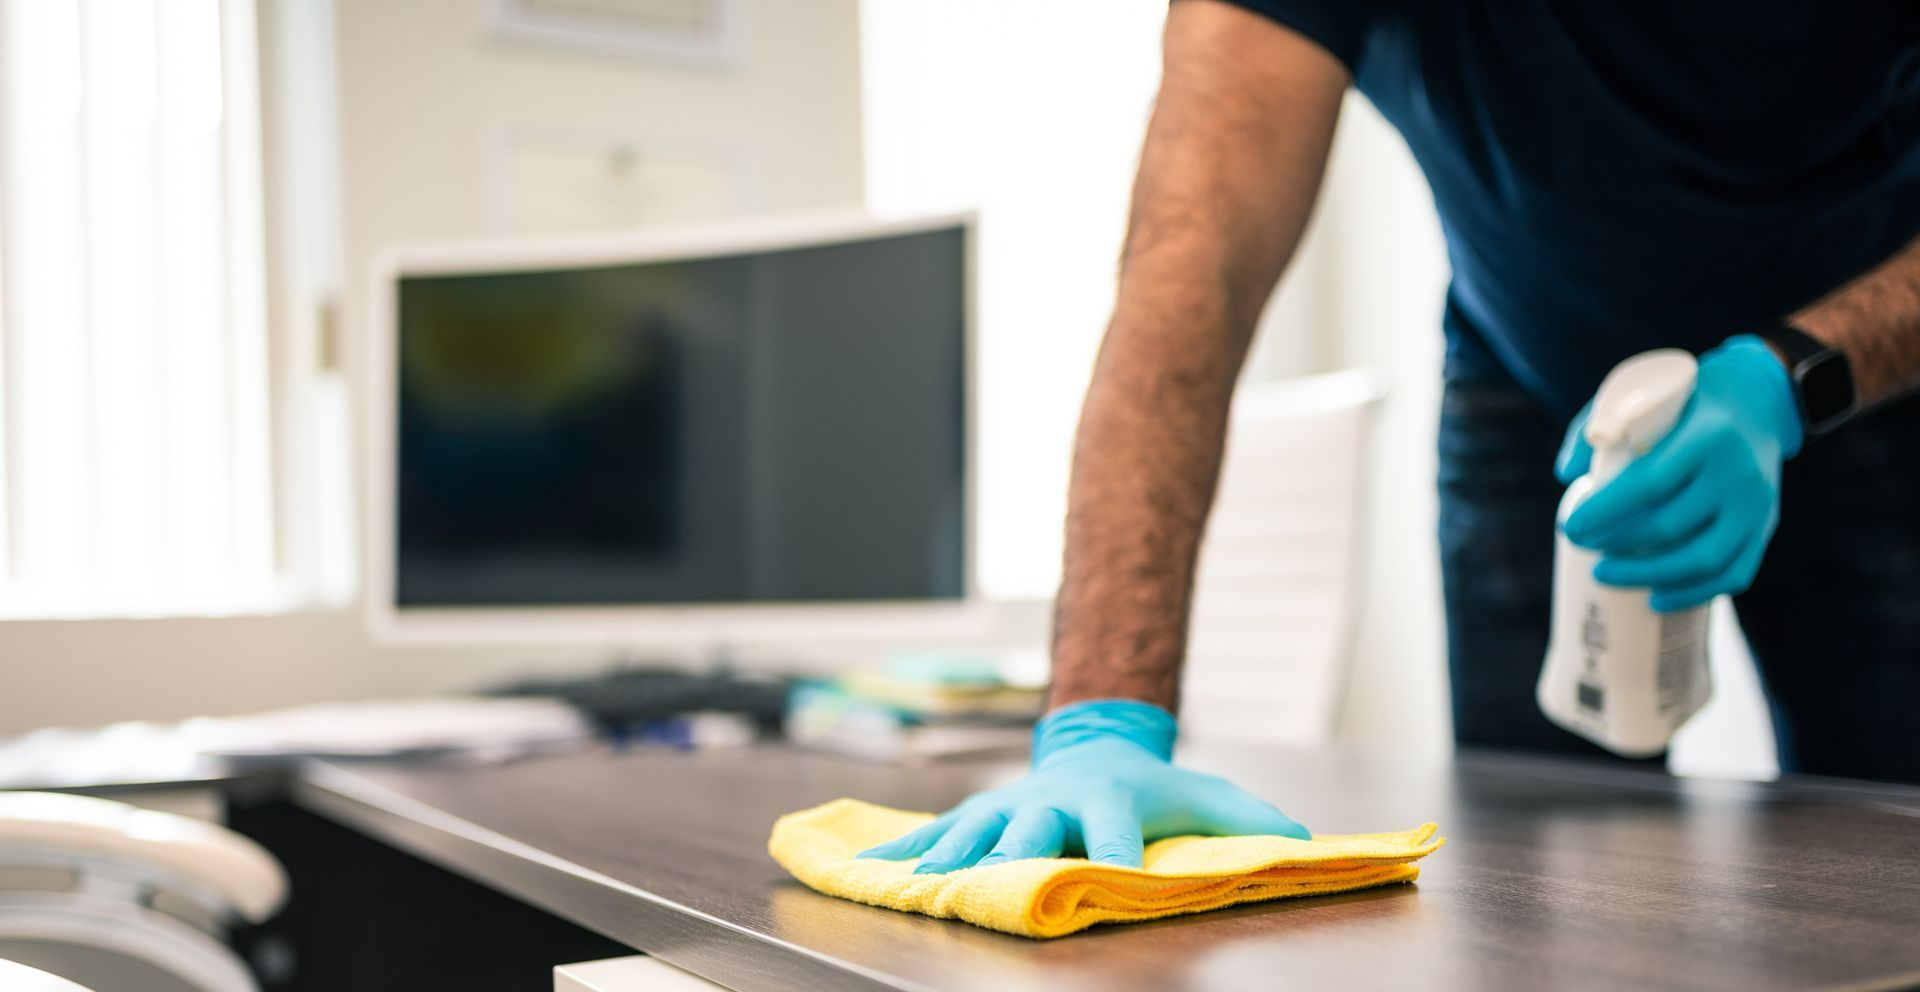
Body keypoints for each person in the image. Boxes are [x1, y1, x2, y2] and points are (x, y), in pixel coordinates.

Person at [861, 0, 1920, 873]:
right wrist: (1101, 715)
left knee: (1886, 842)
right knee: (1546, 877)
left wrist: (1792, 377)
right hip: (1527, 364)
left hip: (1857, 362)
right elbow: (1192, 269)